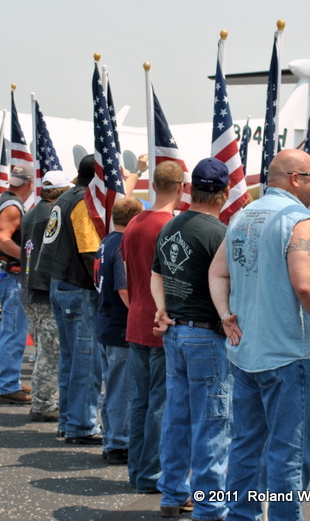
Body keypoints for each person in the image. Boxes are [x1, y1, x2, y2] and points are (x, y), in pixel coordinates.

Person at [209, 149, 310, 521]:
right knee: (290, 453)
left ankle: (241, 516)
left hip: (245, 351)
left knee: (246, 446)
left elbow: (217, 271)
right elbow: (305, 284)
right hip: (288, 353)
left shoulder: (242, 215)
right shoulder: (301, 220)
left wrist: (224, 316)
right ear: (295, 178)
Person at [151, 157, 232, 521]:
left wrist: (162, 309)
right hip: (207, 334)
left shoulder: (170, 226)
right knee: (212, 422)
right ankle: (209, 504)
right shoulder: (220, 233)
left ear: (190, 189)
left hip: (175, 331)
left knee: (177, 418)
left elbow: (156, 274)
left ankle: (172, 494)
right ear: (224, 193)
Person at [120, 159, 185, 493]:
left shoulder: (133, 223)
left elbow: (129, 270)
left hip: (136, 317)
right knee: (159, 403)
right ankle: (149, 474)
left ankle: (138, 471)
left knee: (141, 401)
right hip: (160, 322)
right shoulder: (169, 227)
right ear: (181, 188)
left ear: (154, 186)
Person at [36, 155, 103, 444]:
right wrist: (103, 287)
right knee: (86, 361)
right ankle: (82, 424)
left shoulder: (65, 197)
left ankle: (68, 420)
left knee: (70, 357)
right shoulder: (83, 202)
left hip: (59, 283)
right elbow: (89, 252)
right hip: (77, 286)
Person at [94, 196, 144, 465]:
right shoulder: (122, 245)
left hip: (105, 322)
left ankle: (111, 438)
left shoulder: (106, 242)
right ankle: (118, 442)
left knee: (113, 386)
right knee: (122, 389)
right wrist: (140, 312)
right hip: (119, 326)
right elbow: (124, 289)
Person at [20, 170, 73, 422]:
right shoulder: (53, 214)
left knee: (44, 350)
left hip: (29, 287)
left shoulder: (31, 212)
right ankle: (43, 404)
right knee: (50, 353)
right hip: (43, 289)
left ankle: (43, 401)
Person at [0, 163, 35, 404]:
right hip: (12, 275)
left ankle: (11, 381)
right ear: (30, 183)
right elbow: (1, 239)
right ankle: (8, 386)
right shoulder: (12, 206)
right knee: (14, 332)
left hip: (8, 274)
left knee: (12, 331)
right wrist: (28, 259)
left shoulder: (6, 201)